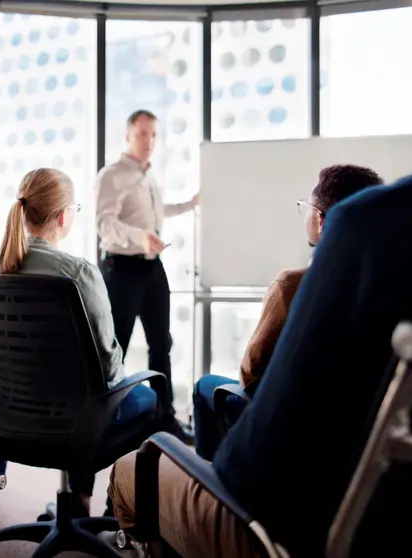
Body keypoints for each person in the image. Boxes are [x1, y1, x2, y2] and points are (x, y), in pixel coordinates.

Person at [108, 173, 412, 558]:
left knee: (130, 469)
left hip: (290, 527)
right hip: (384, 520)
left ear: (321, 220)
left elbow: (249, 459)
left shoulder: (358, 230)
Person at [0, 167, 159, 516]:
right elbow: (108, 362)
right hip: (76, 425)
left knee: (89, 397)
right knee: (147, 398)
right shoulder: (78, 273)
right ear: (64, 216)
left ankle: (79, 501)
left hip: (10, 423)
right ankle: (118, 511)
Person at [193, 164, 384, 460]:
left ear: (321, 220)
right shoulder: (390, 287)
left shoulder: (292, 285)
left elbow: (251, 374)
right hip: (354, 442)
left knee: (206, 387)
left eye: (307, 207)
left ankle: (213, 488)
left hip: (288, 440)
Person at [95, 109, 199, 443]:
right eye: (142, 134)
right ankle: (105, 426)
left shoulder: (150, 176)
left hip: (152, 268)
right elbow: (103, 223)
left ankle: (163, 418)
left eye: (153, 135)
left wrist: (189, 204)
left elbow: (157, 211)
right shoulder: (112, 175)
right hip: (121, 269)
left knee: (161, 345)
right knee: (116, 350)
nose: (149, 141)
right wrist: (138, 236)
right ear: (128, 136)